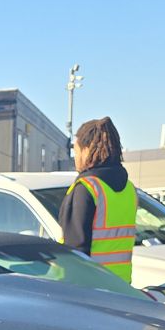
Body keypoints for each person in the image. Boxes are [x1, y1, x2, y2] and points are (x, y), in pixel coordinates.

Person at [57, 116, 137, 281]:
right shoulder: (129, 189)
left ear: (87, 149)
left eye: (77, 150)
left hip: (91, 287)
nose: (75, 157)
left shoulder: (87, 188)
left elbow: (75, 250)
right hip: (121, 285)